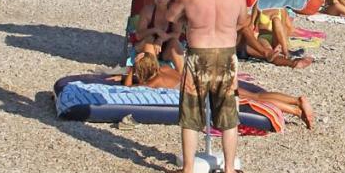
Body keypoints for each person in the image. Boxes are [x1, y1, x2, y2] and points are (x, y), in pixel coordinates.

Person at [162, 0, 249, 173]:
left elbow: (170, 18)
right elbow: (243, 21)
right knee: (229, 113)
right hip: (227, 56)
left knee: (191, 113)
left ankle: (188, 171)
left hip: (198, 55)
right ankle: (229, 170)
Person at [119, 52, 315, 129]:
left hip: (204, 90)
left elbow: (128, 89)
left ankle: (296, 107)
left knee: (253, 99)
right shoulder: (165, 69)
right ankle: (296, 104)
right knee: (255, 95)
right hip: (205, 77)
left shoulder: (152, 84)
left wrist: (130, 70)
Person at [133, 0, 184, 73]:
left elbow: (177, 34)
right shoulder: (147, 11)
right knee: (150, 38)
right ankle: (151, 72)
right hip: (146, 46)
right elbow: (138, 36)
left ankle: (182, 77)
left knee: (175, 42)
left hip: (164, 49)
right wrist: (155, 30)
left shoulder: (175, 13)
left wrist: (161, 39)